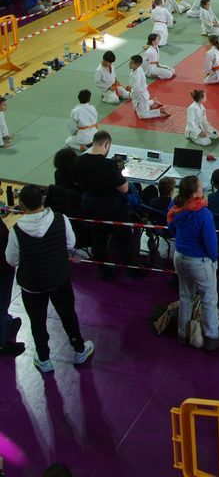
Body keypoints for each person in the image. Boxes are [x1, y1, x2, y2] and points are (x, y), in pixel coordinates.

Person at [5, 184, 94, 373]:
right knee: (68, 315)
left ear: (22, 205)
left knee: (37, 321)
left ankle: (44, 359)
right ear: (43, 200)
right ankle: (79, 350)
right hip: (59, 279)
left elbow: (11, 260)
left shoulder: (17, 230)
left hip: (32, 285)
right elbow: (71, 243)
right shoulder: (61, 219)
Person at [166, 175, 219, 351]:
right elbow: (210, 242)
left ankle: (183, 334)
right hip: (199, 261)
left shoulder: (174, 207)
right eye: (201, 187)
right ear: (194, 194)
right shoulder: (203, 214)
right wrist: (214, 259)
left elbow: (172, 229)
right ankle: (211, 336)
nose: (203, 189)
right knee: (209, 299)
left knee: (185, 296)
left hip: (180, 257)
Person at [72, 130, 136, 278]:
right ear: (106, 144)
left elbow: (76, 183)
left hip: (91, 207)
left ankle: (104, 271)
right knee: (124, 239)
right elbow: (124, 189)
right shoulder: (110, 165)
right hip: (113, 209)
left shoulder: (79, 161)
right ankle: (132, 270)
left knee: (98, 239)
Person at [0, 215, 23, 357]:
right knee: (1, 305)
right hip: (2, 270)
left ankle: (6, 323)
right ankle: (1, 345)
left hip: (4, 268)